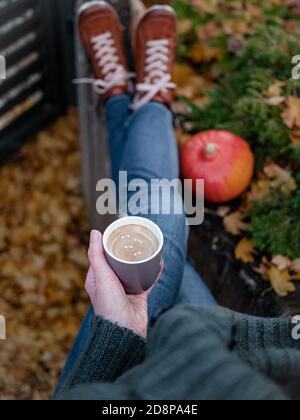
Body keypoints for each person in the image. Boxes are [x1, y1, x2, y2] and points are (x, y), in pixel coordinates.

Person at [54, 1, 300, 400]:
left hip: (183, 365)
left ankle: (134, 97)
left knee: (163, 214)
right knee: (167, 239)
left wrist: (118, 337)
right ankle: (139, 96)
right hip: (226, 346)